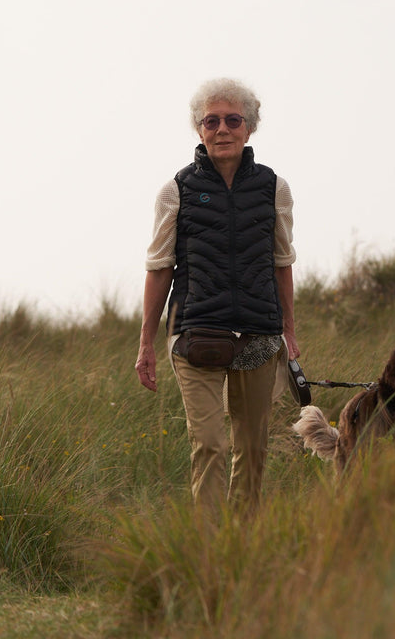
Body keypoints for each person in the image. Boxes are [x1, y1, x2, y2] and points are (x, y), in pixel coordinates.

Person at [134, 78, 300, 513]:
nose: (222, 129)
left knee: (254, 449)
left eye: (232, 120)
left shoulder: (274, 189)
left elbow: (282, 262)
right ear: (199, 129)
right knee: (209, 444)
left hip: (260, 336)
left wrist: (289, 332)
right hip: (194, 335)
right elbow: (159, 268)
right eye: (211, 121)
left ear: (249, 129)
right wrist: (146, 343)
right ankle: (206, 554)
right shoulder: (175, 190)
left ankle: (239, 548)